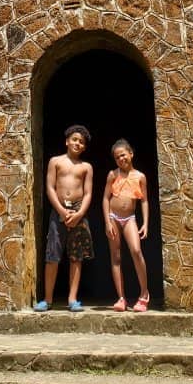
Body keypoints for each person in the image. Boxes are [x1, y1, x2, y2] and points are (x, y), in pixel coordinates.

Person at [34, 124, 94, 312]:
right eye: (75, 139)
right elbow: (50, 188)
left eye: (82, 142)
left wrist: (79, 214)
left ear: (84, 147)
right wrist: (60, 210)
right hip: (58, 211)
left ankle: (72, 299)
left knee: (76, 257)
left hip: (78, 212)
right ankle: (48, 299)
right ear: (67, 141)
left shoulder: (86, 167)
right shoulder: (55, 162)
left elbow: (88, 193)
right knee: (52, 255)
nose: (78, 143)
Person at [102, 138, 149, 312]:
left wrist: (145, 222)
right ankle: (121, 297)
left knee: (136, 251)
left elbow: (144, 201)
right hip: (113, 217)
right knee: (116, 257)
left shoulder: (140, 177)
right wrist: (107, 221)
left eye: (123, 155)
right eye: (117, 157)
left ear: (131, 154)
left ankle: (144, 293)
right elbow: (106, 198)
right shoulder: (112, 175)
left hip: (129, 218)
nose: (121, 159)